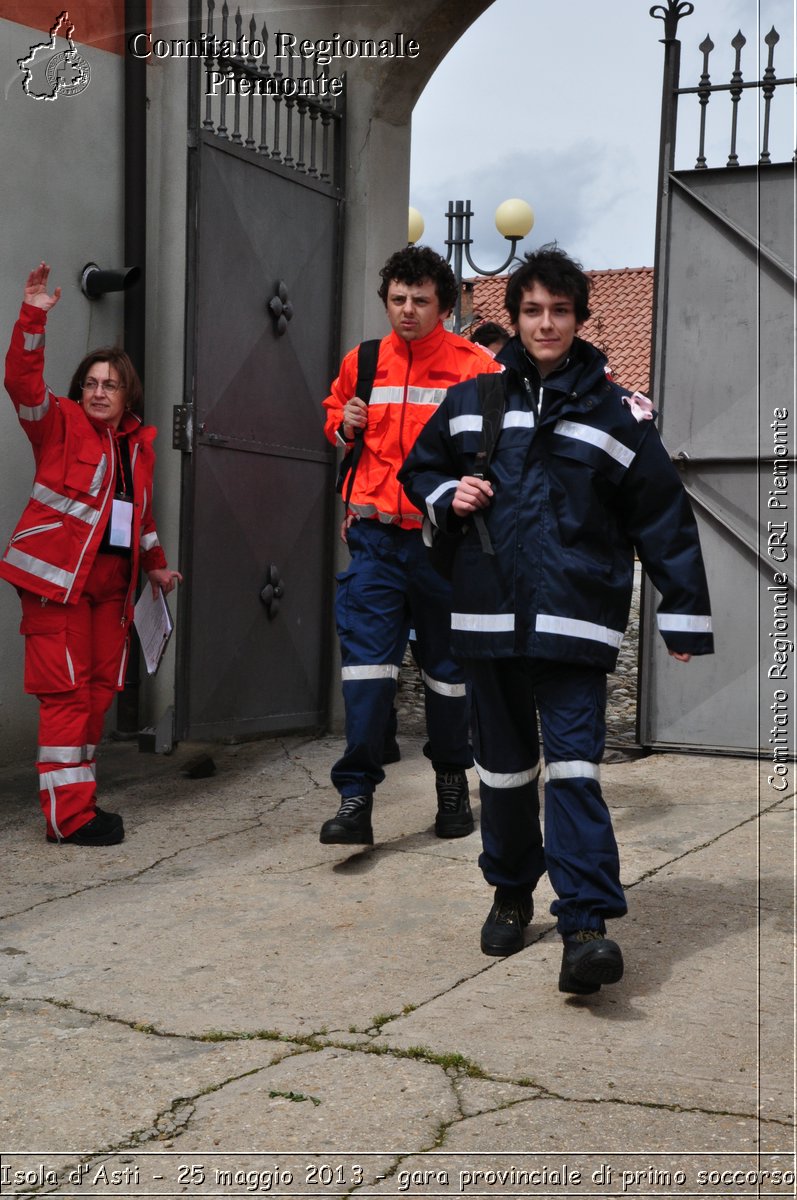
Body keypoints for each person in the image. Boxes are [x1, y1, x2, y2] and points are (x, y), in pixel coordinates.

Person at [399, 245, 713, 993]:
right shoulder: (470, 402)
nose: (546, 323)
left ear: (579, 318)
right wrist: (449, 496)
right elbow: (418, 470)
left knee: (573, 771)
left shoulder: (618, 413)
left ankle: (584, 925)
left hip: (575, 620)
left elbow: (662, 516)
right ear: (511, 320)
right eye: (532, 311)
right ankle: (511, 892)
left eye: (559, 311)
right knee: (503, 774)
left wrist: (685, 613)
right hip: (484, 618)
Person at [320, 245, 501, 847]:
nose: (407, 310)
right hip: (374, 540)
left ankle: (452, 782)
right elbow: (334, 418)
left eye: (421, 300)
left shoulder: (477, 367)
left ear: (445, 307)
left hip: (442, 546)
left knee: (449, 677)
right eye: (397, 299)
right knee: (367, 671)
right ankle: (356, 798)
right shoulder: (363, 360)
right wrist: (341, 421)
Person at [1, 263, 181, 846]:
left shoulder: (139, 447)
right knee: (67, 695)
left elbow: (141, 517)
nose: (98, 392)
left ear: (128, 393)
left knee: (100, 692)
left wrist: (155, 564)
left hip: (112, 594)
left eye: (110, 384)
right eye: (91, 383)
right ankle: (68, 818)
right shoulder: (58, 424)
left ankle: (78, 799)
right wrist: (33, 316)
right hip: (57, 586)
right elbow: (23, 383)